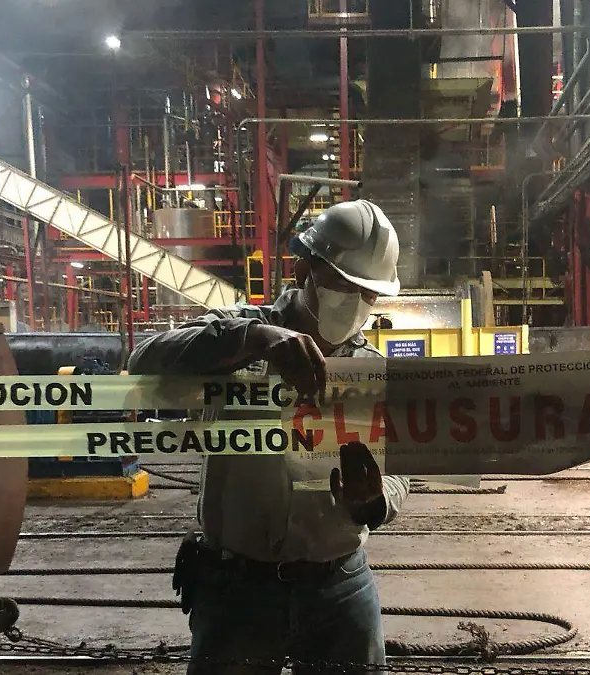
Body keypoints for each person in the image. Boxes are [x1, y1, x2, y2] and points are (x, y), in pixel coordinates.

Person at [126, 199, 411, 674]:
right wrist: (254, 339)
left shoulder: (371, 370)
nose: (356, 304)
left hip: (338, 582)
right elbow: (144, 361)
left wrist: (376, 500)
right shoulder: (236, 334)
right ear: (304, 269)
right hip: (237, 586)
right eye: (343, 286)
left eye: (369, 295)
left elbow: (401, 464)